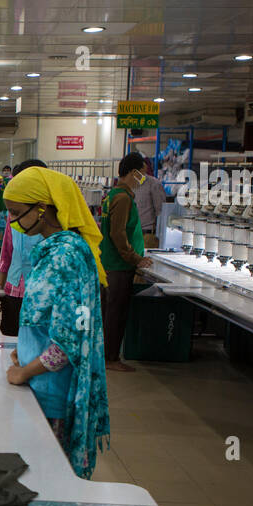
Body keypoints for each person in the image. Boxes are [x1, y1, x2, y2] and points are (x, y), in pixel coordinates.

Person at [2, 167, 110, 479]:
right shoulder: (60, 249)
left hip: (52, 391)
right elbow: (48, 320)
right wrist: (24, 351)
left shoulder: (63, 257)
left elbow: (67, 343)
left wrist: (25, 370)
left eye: (15, 213)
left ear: (42, 209)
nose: (11, 221)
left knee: (46, 479)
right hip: (41, 379)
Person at [100, 154, 153, 372]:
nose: (144, 178)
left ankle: (108, 356)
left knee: (111, 312)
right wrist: (136, 258)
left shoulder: (114, 195)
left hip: (112, 263)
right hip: (118, 266)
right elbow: (118, 234)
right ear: (133, 173)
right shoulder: (122, 198)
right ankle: (110, 359)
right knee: (115, 314)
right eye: (143, 174)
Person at [0, 159, 47, 330]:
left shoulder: (56, 222)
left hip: (41, 295)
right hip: (14, 287)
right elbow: (7, 251)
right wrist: (0, 289)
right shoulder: (13, 213)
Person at [134, 159, 166, 250]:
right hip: (132, 234)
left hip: (147, 236)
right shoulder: (131, 185)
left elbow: (160, 211)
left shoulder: (154, 184)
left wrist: (160, 234)